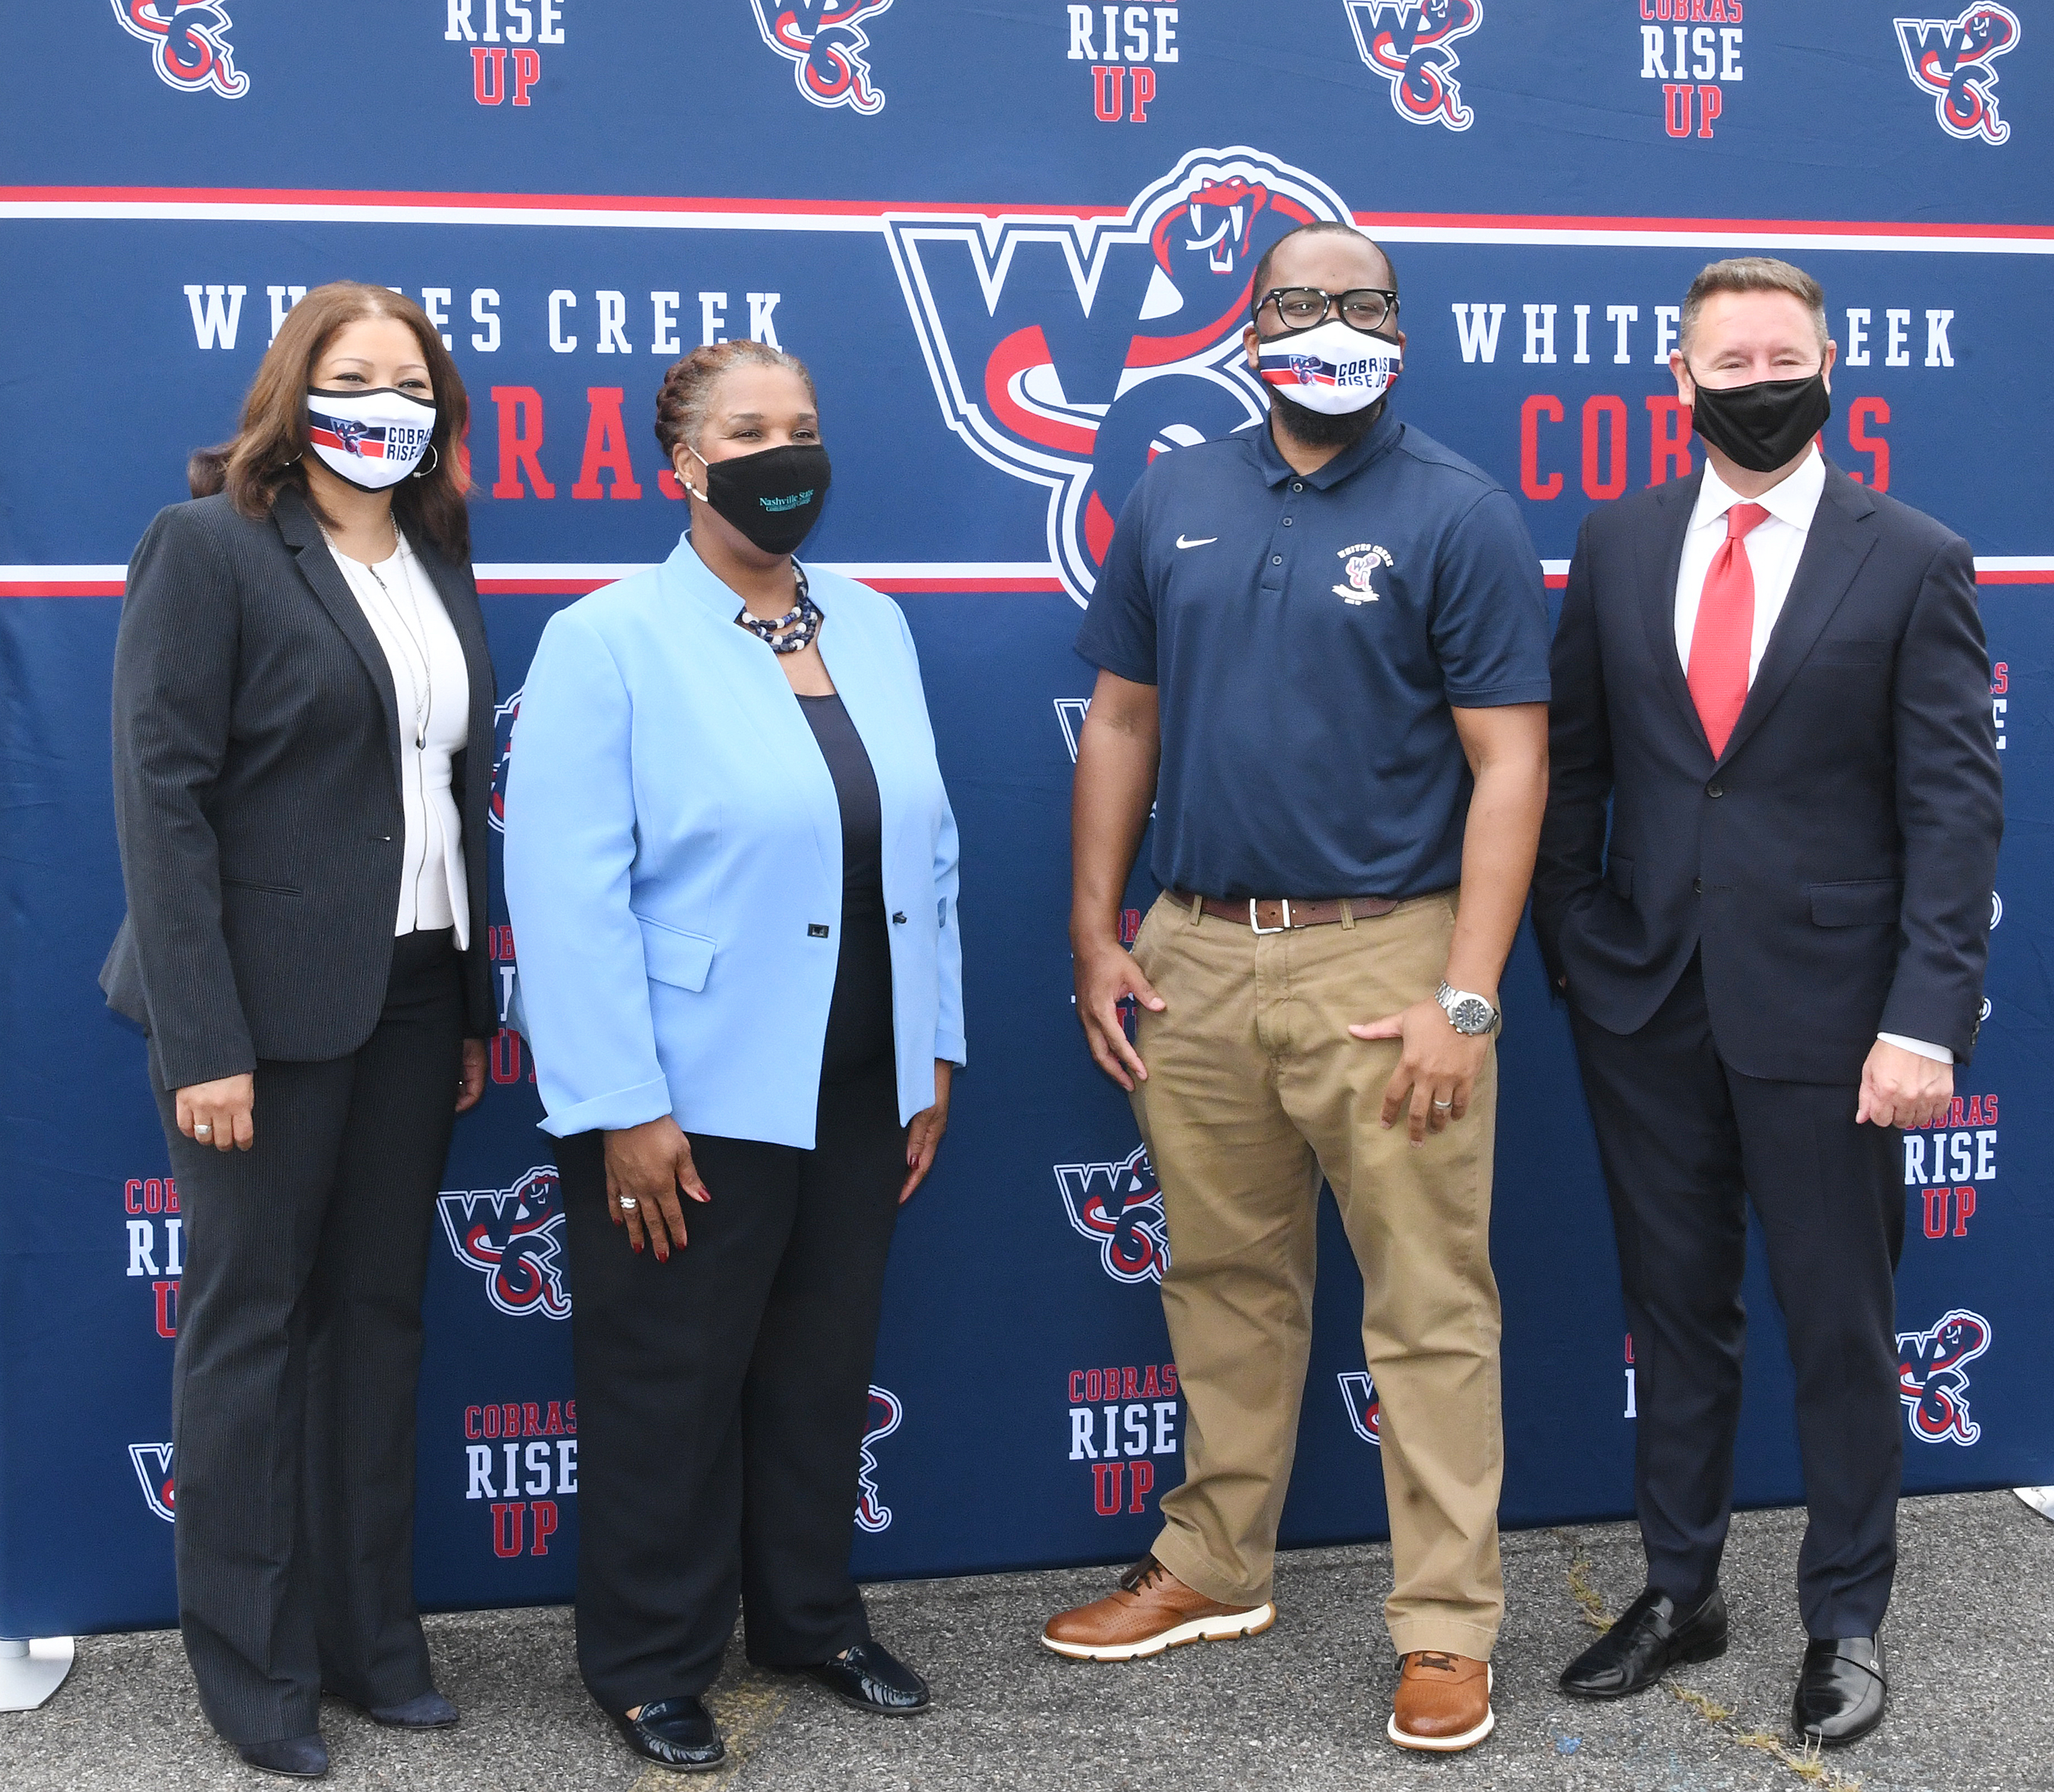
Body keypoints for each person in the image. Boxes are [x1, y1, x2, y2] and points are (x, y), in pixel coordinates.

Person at [1043, 222, 1550, 1755]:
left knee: (1429, 1303)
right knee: (1220, 1278)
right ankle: (1212, 1559)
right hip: (1195, 945)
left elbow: (1511, 760)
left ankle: (1449, 1624)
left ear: (1400, 326)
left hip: (1387, 951)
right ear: (1248, 326)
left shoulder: (1457, 510)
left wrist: (1467, 995)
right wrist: (1099, 928)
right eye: (1294, 304)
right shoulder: (1181, 489)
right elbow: (1122, 718)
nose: (1324, 326)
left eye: (1354, 304)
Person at [1534, 257, 2002, 1748]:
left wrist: (1924, 1018)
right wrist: (1578, 944)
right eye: (1724, 359)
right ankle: (1682, 1589)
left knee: (1842, 1324)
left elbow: (1954, 809)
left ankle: (1846, 1617)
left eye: (1779, 353)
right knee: (1674, 1317)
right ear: (1677, 383)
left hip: (1837, 1018)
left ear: (1832, 366)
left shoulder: (1912, 555)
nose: (1754, 378)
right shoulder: (1617, 543)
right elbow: (1579, 766)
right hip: (1647, 1004)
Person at [501, 339, 964, 1773]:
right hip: (689, 1092)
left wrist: (932, 1050)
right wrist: (624, 1107)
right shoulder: (608, 639)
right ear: (684, 467)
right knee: (670, 1383)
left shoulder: (875, 624)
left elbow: (929, 857)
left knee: (820, 1370)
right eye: (752, 430)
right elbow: (565, 897)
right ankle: (648, 1661)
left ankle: (811, 1619)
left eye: (807, 425)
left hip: (856, 1078)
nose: (788, 452)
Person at [101, 282, 497, 1780]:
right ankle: (252, 1669)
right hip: (258, 1019)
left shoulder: (440, 556)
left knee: (378, 1323)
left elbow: (451, 800)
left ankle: (369, 1642)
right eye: (354, 375)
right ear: (295, 391)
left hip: (408, 999)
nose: (384, 402)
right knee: (253, 1330)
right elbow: (162, 799)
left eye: (411, 380)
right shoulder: (208, 550)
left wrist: (468, 1004)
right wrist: (206, 1038)